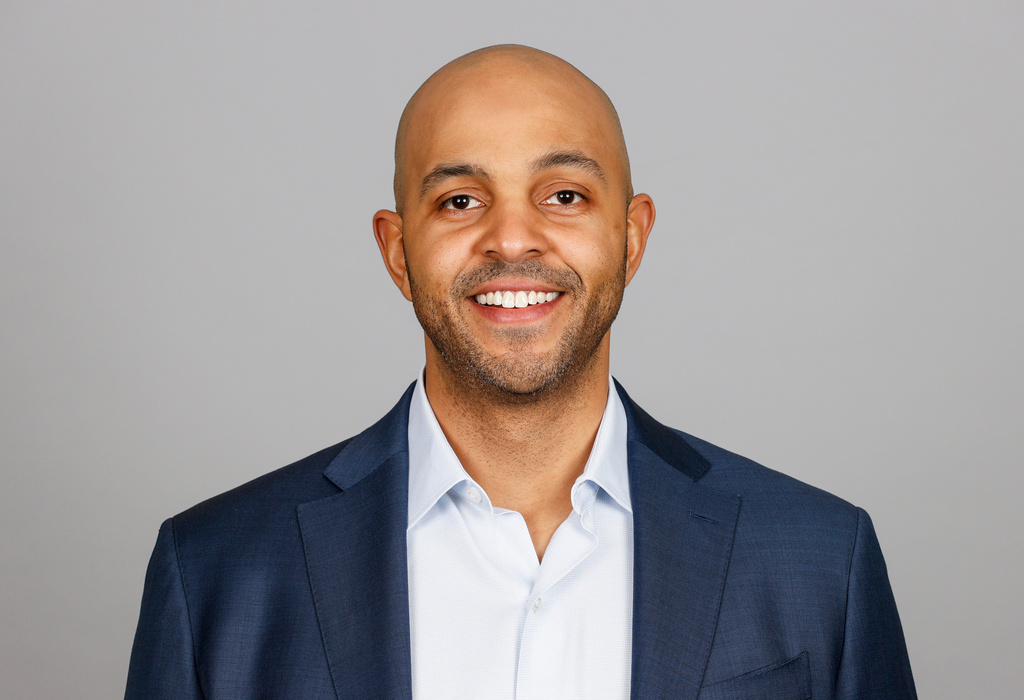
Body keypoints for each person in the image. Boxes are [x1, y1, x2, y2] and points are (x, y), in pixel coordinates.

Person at [125, 45, 916, 699]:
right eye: (460, 201)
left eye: (563, 195)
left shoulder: (820, 560)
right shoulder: (215, 574)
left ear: (632, 238)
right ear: (397, 252)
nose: (511, 239)